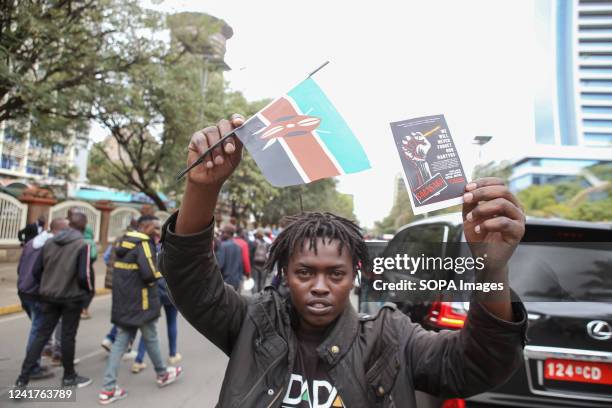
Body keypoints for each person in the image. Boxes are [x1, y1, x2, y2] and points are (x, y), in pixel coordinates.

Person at [158, 115, 528, 407]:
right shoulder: (254, 323)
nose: (320, 287)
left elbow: (479, 362)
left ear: (355, 277)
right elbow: (190, 279)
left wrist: (490, 267)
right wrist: (202, 188)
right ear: (285, 274)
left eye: (335, 273)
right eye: (305, 272)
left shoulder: (393, 338)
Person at [98, 215, 182, 405]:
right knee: (150, 337)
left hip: (124, 302)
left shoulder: (123, 241)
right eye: (155, 226)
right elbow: (149, 273)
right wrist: (165, 272)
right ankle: (162, 374)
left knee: (121, 342)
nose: (157, 229)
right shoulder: (144, 243)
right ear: (146, 226)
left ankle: (108, 389)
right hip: (141, 303)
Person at [15, 212, 93, 389]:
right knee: (67, 336)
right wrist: (87, 293)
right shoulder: (82, 245)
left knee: (41, 336)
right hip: (71, 298)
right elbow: (84, 276)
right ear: (84, 226)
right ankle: (69, 376)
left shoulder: (49, 242)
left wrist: (46, 286)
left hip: (48, 296)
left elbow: (36, 271)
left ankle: (22, 379)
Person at [17, 217, 70, 380]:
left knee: (38, 329)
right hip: (37, 294)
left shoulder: (32, 242)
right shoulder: (52, 246)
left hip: (24, 291)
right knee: (38, 331)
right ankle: (32, 368)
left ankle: (36, 362)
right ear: (61, 231)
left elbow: (20, 268)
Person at [131, 276, 182, 373]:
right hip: (171, 289)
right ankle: (173, 355)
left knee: (149, 328)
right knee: (172, 322)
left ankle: (138, 360)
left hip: (156, 291)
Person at [215, 224, 244, 291]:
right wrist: (240, 280)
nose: (221, 234)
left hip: (225, 281)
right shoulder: (238, 247)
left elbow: (220, 265)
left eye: (222, 232)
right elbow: (240, 266)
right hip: (236, 282)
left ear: (227, 233)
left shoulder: (223, 246)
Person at [252, 228, 270, 292]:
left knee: (255, 281)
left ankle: (254, 298)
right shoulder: (267, 243)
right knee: (262, 282)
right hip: (264, 265)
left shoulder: (254, 243)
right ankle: (261, 297)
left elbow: (251, 255)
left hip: (255, 265)